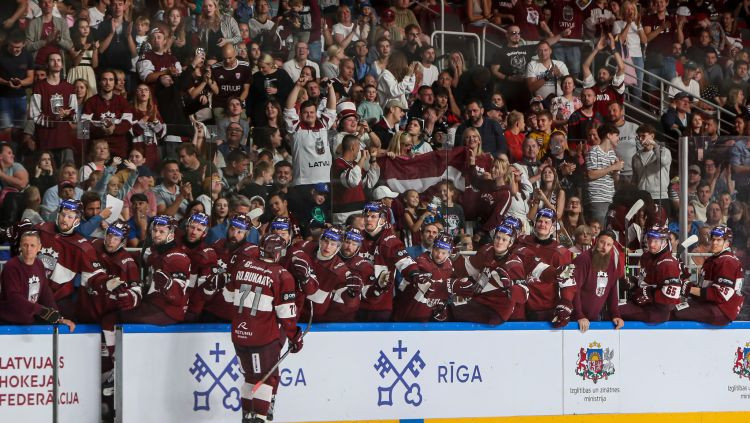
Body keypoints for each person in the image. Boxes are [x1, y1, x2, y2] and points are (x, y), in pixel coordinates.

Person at [222, 233, 303, 423]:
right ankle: (258, 419)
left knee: (250, 378)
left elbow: (227, 296)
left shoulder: (242, 266)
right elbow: (286, 315)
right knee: (267, 379)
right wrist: (295, 337)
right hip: (262, 339)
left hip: (239, 335)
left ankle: (247, 418)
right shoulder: (282, 275)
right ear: (277, 253)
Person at [451, 223, 529, 324]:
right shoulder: (487, 251)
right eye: (497, 237)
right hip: (479, 300)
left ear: (510, 243)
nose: (499, 242)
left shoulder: (513, 264)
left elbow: (524, 294)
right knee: (451, 300)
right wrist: (447, 261)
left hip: (496, 310)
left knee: (453, 307)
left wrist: (510, 286)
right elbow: (465, 267)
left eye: (504, 239)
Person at [358, 201, 422, 321]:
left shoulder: (390, 242)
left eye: (373, 216)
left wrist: (415, 274)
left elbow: (406, 263)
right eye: (366, 216)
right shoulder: (356, 239)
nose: (368, 219)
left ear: (382, 220)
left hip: (380, 305)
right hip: (356, 302)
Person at [0, 230, 75, 331]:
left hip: (29, 322)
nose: (28, 249)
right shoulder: (11, 267)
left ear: (39, 247)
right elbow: (14, 298)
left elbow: (45, 291)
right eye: (25, 245)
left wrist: (57, 317)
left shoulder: (39, 264)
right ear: (20, 246)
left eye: (32, 245)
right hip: (9, 324)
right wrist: (42, 311)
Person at [674, 225, 744, 325]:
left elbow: (718, 295)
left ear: (727, 243)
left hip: (722, 310)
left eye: (719, 240)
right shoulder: (713, 260)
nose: (714, 243)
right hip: (711, 305)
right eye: (713, 239)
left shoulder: (727, 261)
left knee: (675, 313)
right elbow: (703, 291)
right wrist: (686, 282)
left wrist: (688, 288)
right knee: (675, 308)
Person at [619, 225, 681, 323]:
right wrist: (633, 281)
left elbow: (670, 299)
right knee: (613, 308)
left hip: (656, 311)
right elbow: (645, 279)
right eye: (649, 240)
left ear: (664, 242)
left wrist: (647, 293)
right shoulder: (647, 256)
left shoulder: (668, 264)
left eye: (656, 241)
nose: (651, 244)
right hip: (644, 306)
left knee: (614, 312)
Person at [392, 232, 456, 322]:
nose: (439, 255)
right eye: (437, 250)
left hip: (427, 314)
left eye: (443, 252)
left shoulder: (449, 265)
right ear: (432, 248)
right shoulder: (421, 261)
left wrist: (443, 304)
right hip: (409, 310)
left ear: (449, 254)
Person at [572, 229, 625, 332]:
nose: (604, 247)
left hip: (595, 319)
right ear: (596, 241)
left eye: (609, 245)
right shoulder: (583, 260)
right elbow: (574, 289)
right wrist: (579, 315)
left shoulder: (610, 262)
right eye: (602, 242)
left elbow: (612, 290)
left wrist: (615, 315)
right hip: (576, 320)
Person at [30, 52, 77, 164]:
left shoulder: (69, 87)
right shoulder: (38, 87)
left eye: (59, 60)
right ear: (47, 64)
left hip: (65, 140)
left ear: (62, 65)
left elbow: (75, 114)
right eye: (52, 60)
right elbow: (35, 115)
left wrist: (68, 114)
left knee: (67, 172)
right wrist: (55, 118)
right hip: (46, 140)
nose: (56, 62)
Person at [81, 69, 134, 158]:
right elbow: (83, 127)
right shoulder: (90, 102)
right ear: (100, 82)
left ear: (115, 82)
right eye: (104, 79)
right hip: (97, 149)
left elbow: (128, 123)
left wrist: (114, 128)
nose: (108, 83)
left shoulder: (123, 102)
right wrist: (101, 129)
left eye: (111, 80)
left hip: (118, 149)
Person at [586, 124, 622, 225]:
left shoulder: (612, 154)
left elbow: (616, 179)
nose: (618, 139)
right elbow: (591, 174)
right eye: (616, 135)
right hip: (597, 199)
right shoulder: (594, 151)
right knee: (598, 230)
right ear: (608, 135)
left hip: (610, 198)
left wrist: (616, 171)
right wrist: (613, 167)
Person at [582, 35, 625, 119]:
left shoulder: (615, 88)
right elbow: (585, 66)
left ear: (610, 77)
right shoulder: (592, 87)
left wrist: (613, 48)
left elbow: (622, 68)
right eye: (599, 73)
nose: (601, 75)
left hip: (612, 123)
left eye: (604, 73)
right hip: (595, 124)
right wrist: (596, 49)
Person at [0, 30, 35, 133]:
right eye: (12, 46)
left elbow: (30, 78)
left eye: (18, 47)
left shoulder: (28, 56)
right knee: (5, 129)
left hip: (21, 97)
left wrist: (21, 82)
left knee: (20, 130)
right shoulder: (1, 54)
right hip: (3, 97)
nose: (14, 50)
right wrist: (6, 83)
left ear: (24, 44)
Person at [207, 44, 251, 121]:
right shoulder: (215, 68)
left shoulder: (245, 67)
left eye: (230, 58)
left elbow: (245, 90)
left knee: (242, 122)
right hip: (221, 104)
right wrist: (210, 83)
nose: (227, 61)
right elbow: (217, 91)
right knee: (222, 123)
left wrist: (236, 104)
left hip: (238, 102)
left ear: (235, 53)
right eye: (225, 58)